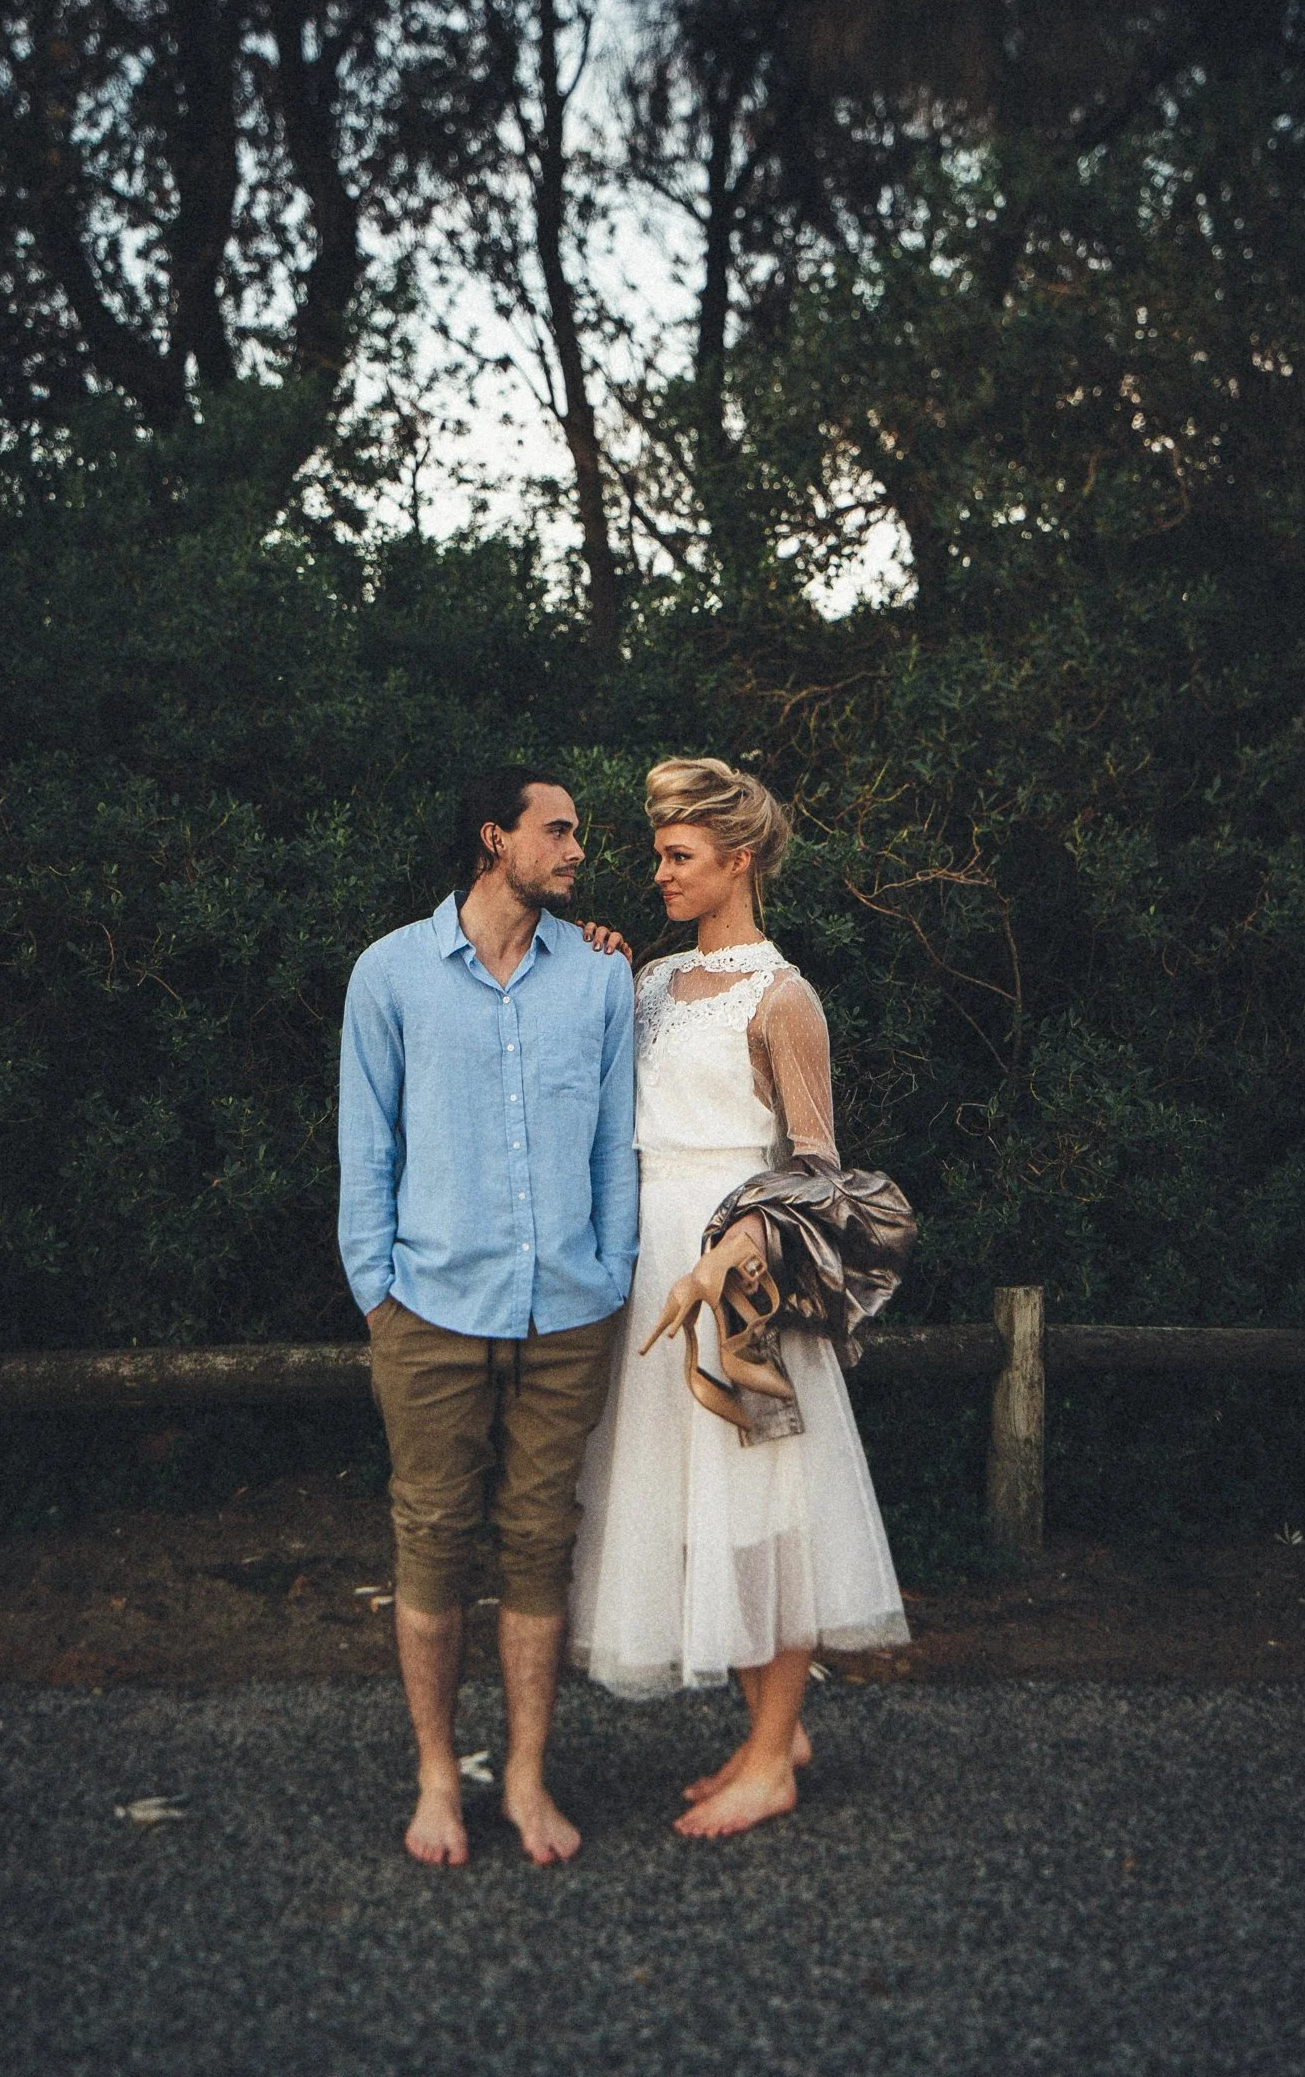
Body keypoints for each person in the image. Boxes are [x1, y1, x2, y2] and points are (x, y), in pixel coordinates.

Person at [569, 757, 910, 1837]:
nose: (658, 871)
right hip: (649, 1263)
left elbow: (821, 1168)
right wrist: (600, 964)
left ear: (739, 861)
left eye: (679, 855)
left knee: (766, 1508)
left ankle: (771, 1758)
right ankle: (779, 1724)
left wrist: (733, 1250)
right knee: (694, 1498)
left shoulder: (785, 996)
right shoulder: (654, 981)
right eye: (659, 852)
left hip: (742, 1277)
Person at [338, 766, 638, 1868]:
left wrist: (610, 1274)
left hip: (567, 1310)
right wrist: (378, 1289)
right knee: (430, 1544)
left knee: (539, 1546)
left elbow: (617, 1143)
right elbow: (366, 1149)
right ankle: (435, 1776)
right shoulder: (391, 974)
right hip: (427, 1310)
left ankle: (524, 1775)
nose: (576, 850)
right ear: (492, 838)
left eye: (577, 835)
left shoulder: (600, 976)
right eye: (556, 831)